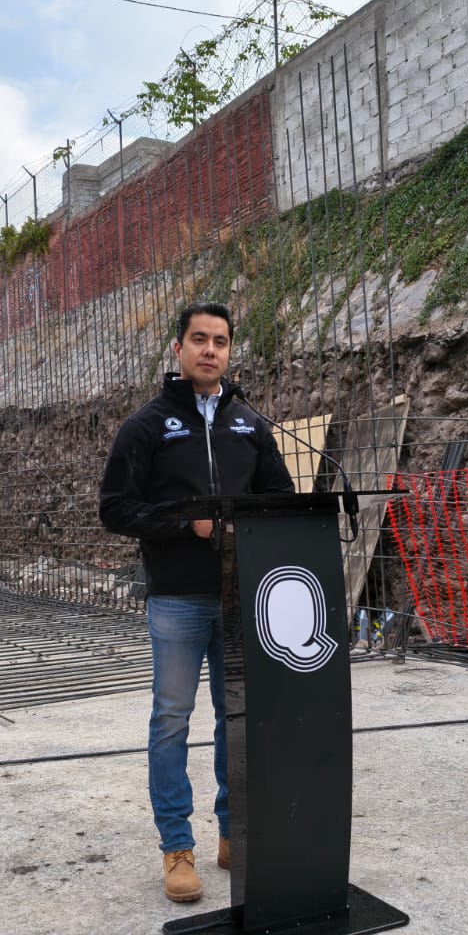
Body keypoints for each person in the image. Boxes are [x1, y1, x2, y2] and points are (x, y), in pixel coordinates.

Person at [99, 301, 295, 903]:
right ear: (179, 349)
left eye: (221, 341)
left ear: (230, 351)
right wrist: (191, 526)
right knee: (172, 720)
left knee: (236, 718)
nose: (210, 350)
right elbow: (116, 509)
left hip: (243, 597)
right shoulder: (148, 425)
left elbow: (280, 496)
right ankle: (176, 847)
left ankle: (235, 833)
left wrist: (256, 526)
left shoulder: (250, 424)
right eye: (199, 339)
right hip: (179, 599)